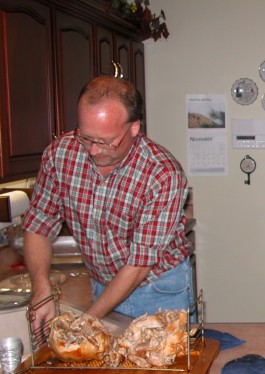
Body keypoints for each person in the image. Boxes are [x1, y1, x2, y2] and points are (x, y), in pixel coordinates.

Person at [23, 76, 193, 335]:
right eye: (86, 137)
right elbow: (39, 223)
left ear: (134, 128)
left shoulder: (162, 173)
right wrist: (42, 289)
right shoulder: (60, 155)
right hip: (102, 284)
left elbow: (139, 264)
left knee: (158, 368)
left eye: (105, 142)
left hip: (158, 289)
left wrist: (84, 322)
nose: (92, 151)